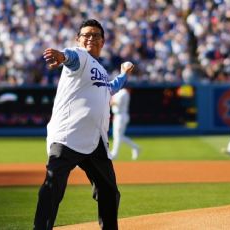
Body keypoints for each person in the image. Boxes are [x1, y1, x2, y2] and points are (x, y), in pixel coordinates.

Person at [33, 19, 133, 230]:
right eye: (85, 35)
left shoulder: (101, 70)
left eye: (95, 35)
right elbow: (69, 56)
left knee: (109, 191)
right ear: (78, 40)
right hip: (69, 135)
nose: (90, 38)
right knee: (53, 185)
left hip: (95, 141)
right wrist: (60, 56)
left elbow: (110, 88)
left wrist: (124, 74)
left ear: (103, 42)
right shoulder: (81, 57)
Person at [110, 87, 141, 160]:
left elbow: (116, 103)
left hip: (121, 116)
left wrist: (107, 100)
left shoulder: (123, 92)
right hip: (118, 115)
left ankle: (115, 154)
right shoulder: (119, 92)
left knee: (118, 136)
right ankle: (136, 147)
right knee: (118, 136)